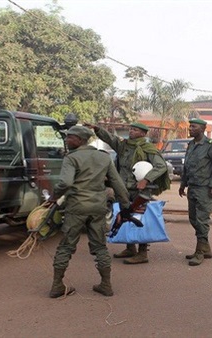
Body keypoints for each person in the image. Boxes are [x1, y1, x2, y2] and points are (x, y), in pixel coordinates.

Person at [49, 126, 130, 298]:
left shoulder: (71, 158)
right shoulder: (103, 157)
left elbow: (65, 183)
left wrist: (53, 197)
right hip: (98, 207)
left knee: (66, 246)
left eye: (70, 137)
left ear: (80, 140)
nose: (66, 140)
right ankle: (106, 285)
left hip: (76, 207)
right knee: (100, 246)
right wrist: (126, 204)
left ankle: (57, 285)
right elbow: (117, 184)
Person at [84, 121, 169, 264]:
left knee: (140, 219)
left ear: (143, 133)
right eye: (130, 129)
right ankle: (130, 248)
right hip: (123, 189)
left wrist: (146, 180)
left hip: (140, 190)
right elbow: (111, 139)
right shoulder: (123, 146)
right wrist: (97, 129)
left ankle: (142, 253)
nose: (131, 131)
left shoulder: (148, 148)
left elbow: (161, 166)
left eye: (135, 130)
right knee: (124, 217)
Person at [179, 118, 212, 266]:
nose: (190, 128)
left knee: (201, 220)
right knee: (193, 219)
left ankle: (199, 252)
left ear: (203, 129)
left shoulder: (211, 145)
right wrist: (183, 184)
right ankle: (206, 249)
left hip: (205, 189)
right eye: (190, 126)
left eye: (194, 126)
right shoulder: (191, 145)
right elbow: (187, 166)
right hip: (192, 187)